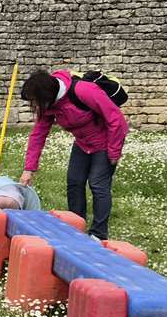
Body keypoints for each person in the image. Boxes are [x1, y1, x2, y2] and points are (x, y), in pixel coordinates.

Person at [17, 68, 128, 239]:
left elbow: (116, 119)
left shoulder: (84, 91)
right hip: (82, 143)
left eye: (35, 101)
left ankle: (99, 233)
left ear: (46, 95)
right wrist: (29, 169)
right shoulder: (49, 105)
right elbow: (38, 134)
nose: (35, 105)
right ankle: (76, 227)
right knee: (74, 182)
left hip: (105, 142)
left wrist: (114, 151)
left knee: (98, 184)